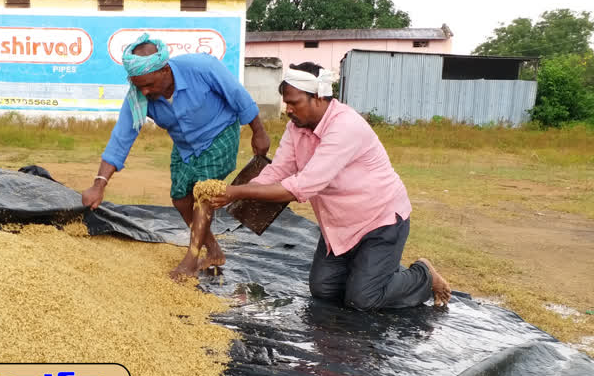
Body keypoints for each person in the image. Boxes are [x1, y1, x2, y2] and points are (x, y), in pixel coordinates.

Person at [209, 62, 451, 309]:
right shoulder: (296, 128)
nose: (288, 110)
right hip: (338, 224)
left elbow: (302, 186)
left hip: (379, 220)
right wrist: (243, 191)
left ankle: (422, 275)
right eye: (286, 103)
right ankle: (375, 271)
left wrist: (235, 192)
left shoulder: (345, 126)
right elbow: (279, 170)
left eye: (294, 103)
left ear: (318, 97)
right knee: (323, 290)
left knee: (363, 299)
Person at [81, 33, 270, 280]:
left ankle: (191, 259)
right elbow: (120, 139)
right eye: (139, 86)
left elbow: (238, 96)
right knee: (180, 199)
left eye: (149, 85)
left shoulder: (202, 67)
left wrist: (259, 131)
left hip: (220, 133)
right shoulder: (138, 96)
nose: (145, 92)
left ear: (165, 70)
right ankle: (213, 250)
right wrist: (99, 185)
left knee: (204, 192)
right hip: (185, 145)